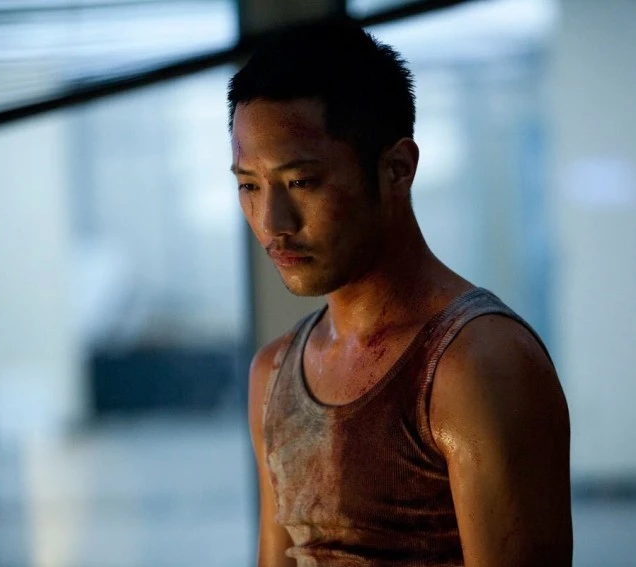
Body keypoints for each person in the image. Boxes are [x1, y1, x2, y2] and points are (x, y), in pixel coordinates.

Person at [227, 19, 572, 567]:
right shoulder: (273, 374)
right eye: (249, 184)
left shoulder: (476, 365)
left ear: (397, 170)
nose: (273, 222)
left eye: (301, 182)